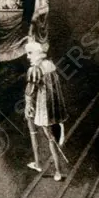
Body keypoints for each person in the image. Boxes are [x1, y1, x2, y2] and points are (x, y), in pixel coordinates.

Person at [24, 41, 68, 181]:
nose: (28, 56)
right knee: (48, 137)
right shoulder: (50, 64)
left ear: (37, 53)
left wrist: (28, 105)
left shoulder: (35, 69)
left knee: (48, 138)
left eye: (30, 53)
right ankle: (38, 163)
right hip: (53, 106)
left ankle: (57, 171)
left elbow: (30, 91)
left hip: (43, 108)